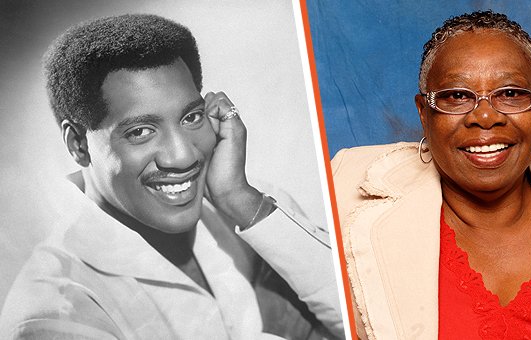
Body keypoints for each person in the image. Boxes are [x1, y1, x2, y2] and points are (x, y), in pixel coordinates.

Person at [0, 14, 343, 340]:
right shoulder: (53, 314)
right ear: (78, 144)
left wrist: (238, 198)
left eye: (191, 117)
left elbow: (373, 316)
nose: (183, 156)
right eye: (140, 131)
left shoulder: (249, 209)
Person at [332, 10, 531, 339]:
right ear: (424, 113)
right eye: (456, 96)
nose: (485, 116)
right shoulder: (342, 192)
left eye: (510, 94)